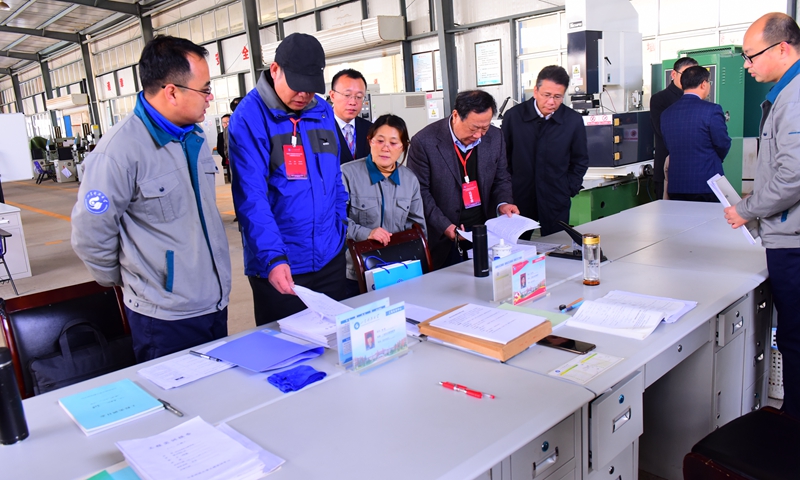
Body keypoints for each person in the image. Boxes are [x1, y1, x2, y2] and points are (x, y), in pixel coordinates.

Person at [71, 36, 231, 362]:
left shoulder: (195, 138)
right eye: (205, 89)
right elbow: (90, 233)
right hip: (163, 318)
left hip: (213, 302)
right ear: (172, 92)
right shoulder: (118, 152)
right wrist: (140, 280)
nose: (210, 97)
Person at [228, 33, 348, 326]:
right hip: (282, 267)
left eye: (311, 87)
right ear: (275, 70)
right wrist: (273, 258)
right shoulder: (249, 117)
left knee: (338, 342)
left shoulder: (321, 111)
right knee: (287, 347)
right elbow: (251, 198)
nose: (304, 95)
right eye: (297, 85)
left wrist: (340, 227)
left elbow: (334, 178)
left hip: (330, 257)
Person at [724, 12, 800, 419]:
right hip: (789, 232)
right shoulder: (785, 94)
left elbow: (793, 176)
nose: (747, 65)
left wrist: (746, 209)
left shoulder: (795, 97)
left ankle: (792, 427)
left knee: (794, 337)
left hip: (793, 241)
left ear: (782, 48)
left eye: (751, 56)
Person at [408, 90, 518, 270]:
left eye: (485, 128)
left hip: (484, 232)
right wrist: (445, 226)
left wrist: (503, 203)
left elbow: (501, 177)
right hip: (444, 236)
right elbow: (420, 193)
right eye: (473, 129)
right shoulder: (424, 142)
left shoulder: (495, 137)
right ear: (456, 115)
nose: (479, 135)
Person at [341, 114, 427, 297]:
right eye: (380, 141)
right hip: (355, 274)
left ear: (403, 147)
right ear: (369, 141)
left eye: (394, 143)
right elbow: (336, 221)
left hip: (398, 273)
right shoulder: (347, 174)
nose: (385, 148)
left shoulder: (410, 179)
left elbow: (418, 229)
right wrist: (367, 233)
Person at [501, 66, 589, 236]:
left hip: (556, 197)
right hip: (519, 198)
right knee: (517, 244)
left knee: (557, 243)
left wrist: (568, 188)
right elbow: (503, 159)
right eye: (547, 95)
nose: (551, 102)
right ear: (535, 91)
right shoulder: (514, 117)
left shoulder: (572, 121)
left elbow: (580, 160)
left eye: (557, 97)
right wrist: (508, 192)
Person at [660, 65, 731, 202]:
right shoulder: (712, 110)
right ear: (704, 84)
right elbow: (723, 143)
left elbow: (669, 146)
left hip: (677, 185)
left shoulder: (666, 114)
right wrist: (711, 159)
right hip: (707, 184)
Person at [650, 56, 699, 200]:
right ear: (673, 74)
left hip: (694, 170)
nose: (690, 79)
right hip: (668, 167)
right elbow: (662, 131)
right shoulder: (660, 99)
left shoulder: (698, 98)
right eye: (686, 74)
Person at [330, 68, 372, 164]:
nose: (353, 102)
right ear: (332, 95)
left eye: (359, 97)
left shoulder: (370, 129)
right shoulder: (318, 129)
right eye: (347, 95)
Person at [217, 114, 230, 182]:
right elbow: (219, 148)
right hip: (228, 161)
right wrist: (226, 155)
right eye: (224, 122)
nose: (226, 124)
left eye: (228, 122)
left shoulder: (237, 133)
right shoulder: (220, 135)